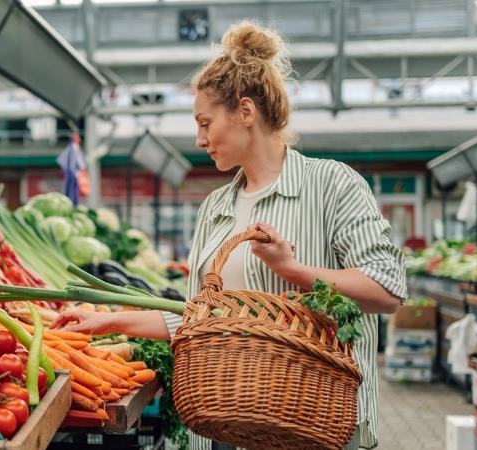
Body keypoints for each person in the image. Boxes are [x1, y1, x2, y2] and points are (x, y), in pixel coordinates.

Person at [53, 21, 406, 450]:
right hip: (228, 429)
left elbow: (386, 288)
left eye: (205, 123)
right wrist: (106, 319)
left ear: (245, 111)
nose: (200, 139)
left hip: (313, 427)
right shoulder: (216, 208)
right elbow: (198, 318)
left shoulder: (333, 185)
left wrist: (291, 269)